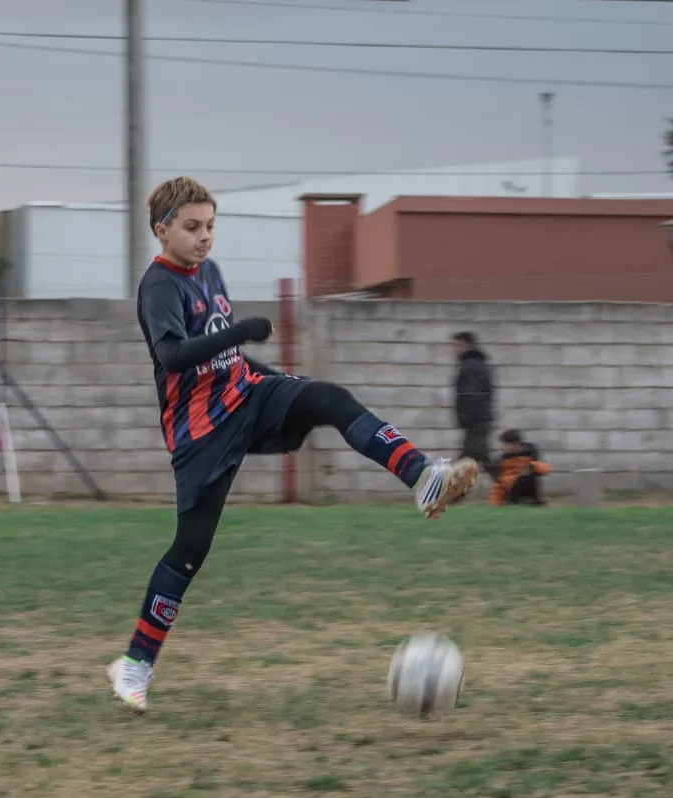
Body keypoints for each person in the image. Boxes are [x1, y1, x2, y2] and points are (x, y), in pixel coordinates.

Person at [107, 177, 478, 714]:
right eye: (192, 228)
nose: (204, 238)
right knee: (190, 551)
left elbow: (224, 361)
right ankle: (135, 666)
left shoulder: (209, 271)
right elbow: (173, 356)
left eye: (210, 226)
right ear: (161, 230)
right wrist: (241, 333)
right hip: (201, 431)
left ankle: (423, 477)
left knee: (328, 398)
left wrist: (274, 379)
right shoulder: (160, 285)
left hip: (245, 395)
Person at [452, 331, 497, 481]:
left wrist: (465, 418)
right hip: (479, 420)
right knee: (481, 457)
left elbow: (470, 395)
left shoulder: (470, 367)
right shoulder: (477, 365)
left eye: (458, 346)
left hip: (475, 420)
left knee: (468, 459)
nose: (455, 350)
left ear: (467, 345)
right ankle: (510, 489)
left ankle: (450, 493)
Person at [490, 429, 551, 507]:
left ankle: (531, 501)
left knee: (527, 476)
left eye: (506, 445)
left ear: (516, 444)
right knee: (517, 479)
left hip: (530, 489)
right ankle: (515, 501)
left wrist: (532, 466)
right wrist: (494, 504)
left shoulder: (530, 452)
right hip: (511, 491)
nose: (504, 448)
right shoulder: (502, 459)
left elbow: (545, 470)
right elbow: (499, 484)